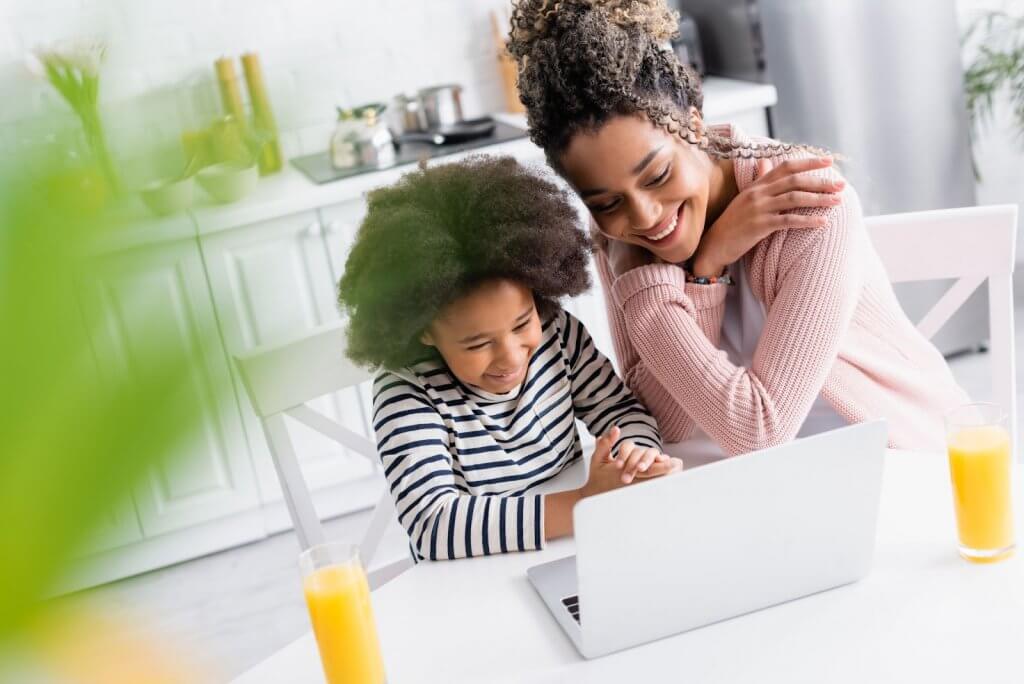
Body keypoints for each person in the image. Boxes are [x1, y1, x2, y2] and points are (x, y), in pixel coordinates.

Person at [506, 0, 969, 458]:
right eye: (606, 202)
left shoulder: (809, 203)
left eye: (658, 176)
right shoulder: (619, 233)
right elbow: (665, 425)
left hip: (904, 461)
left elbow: (760, 431)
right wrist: (706, 269)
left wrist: (679, 281)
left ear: (694, 126)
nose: (645, 216)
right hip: (761, 479)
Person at [338, 156, 682, 561]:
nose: (511, 356)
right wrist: (584, 503)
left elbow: (619, 409)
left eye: (521, 324)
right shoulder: (407, 391)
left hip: (580, 549)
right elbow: (433, 525)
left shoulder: (558, 333)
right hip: (474, 575)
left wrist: (634, 457)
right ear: (424, 330)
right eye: (477, 343)